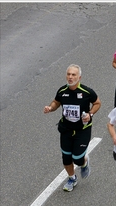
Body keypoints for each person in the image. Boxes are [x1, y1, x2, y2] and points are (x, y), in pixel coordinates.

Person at [43, 64, 101, 192]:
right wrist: (50, 108)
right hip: (66, 129)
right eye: (68, 74)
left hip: (82, 130)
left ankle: (84, 162)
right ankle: (72, 178)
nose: (70, 77)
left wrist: (90, 114)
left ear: (79, 77)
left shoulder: (87, 92)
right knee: (66, 158)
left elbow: (97, 103)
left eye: (73, 75)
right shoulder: (62, 91)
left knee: (78, 158)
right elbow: (56, 102)